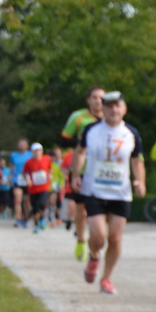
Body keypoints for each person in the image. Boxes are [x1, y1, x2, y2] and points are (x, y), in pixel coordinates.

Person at [75, 91, 148, 294]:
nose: (113, 110)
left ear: (124, 109)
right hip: (94, 190)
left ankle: (106, 278)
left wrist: (140, 180)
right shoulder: (91, 130)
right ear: (102, 109)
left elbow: (137, 160)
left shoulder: (131, 133)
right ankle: (94, 255)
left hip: (120, 191)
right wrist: (75, 175)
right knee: (99, 236)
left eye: (117, 106)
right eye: (109, 106)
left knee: (115, 238)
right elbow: (80, 153)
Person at [60, 87, 106, 258]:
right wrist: (82, 140)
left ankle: (97, 237)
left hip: (103, 169)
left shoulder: (111, 117)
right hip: (83, 167)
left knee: (104, 208)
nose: (98, 101)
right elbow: (64, 139)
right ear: (88, 100)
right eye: (94, 98)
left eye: (101, 98)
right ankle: (80, 239)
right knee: (82, 209)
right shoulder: (78, 117)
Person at [23, 143, 54, 230]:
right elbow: (25, 173)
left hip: (44, 186)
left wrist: (50, 175)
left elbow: (50, 168)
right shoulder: (29, 162)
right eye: (35, 151)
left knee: (42, 204)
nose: (37, 153)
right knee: (35, 207)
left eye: (39, 151)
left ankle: (42, 220)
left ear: (42, 151)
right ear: (32, 152)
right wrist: (28, 180)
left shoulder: (47, 159)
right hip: (33, 188)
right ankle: (36, 224)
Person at [9, 138, 33, 227]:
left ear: (27, 145)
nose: (22, 145)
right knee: (17, 199)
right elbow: (12, 166)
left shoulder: (31, 155)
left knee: (27, 201)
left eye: (23, 144)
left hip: (27, 179)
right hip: (17, 179)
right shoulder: (13, 155)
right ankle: (18, 218)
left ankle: (25, 218)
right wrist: (11, 177)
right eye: (20, 144)